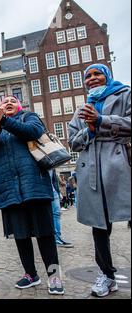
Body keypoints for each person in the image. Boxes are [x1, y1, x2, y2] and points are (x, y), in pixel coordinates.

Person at [0, 96, 64, 295]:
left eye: (12, 100)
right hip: (9, 189)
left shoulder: (28, 117)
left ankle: (54, 277)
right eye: (4, 101)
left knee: (45, 235)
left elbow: (34, 132)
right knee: (21, 235)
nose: (8, 102)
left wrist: (7, 121)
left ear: (18, 106)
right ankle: (30, 274)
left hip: (34, 186)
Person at [68, 63, 131, 297]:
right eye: (88, 76)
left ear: (107, 77)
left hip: (119, 167)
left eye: (97, 74)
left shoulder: (125, 94)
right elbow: (72, 141)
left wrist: (102, 120)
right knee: (99, 226)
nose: (92, 78)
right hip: (92, 171)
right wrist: (90, 130)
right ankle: (107, 275)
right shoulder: (82, 108)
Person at [49, 170, 74, 248]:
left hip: (53, 191)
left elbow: (54, 179)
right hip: (41, 191)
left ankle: (57, 238)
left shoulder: (50, 160)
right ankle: (50, 238)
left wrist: (57, 192)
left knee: (56, 214)